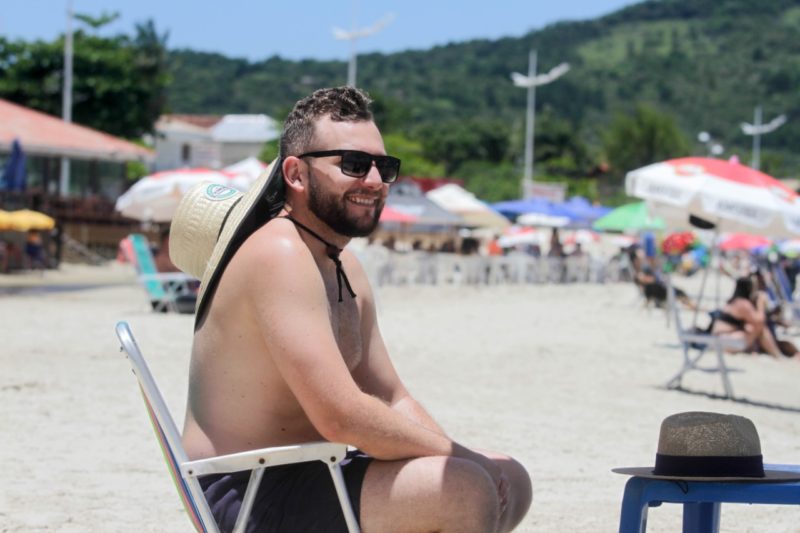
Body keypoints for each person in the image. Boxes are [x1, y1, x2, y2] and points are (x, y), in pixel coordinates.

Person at [169, 87, 531, 533]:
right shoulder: (279, 252)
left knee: (509, 477)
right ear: (296, 174)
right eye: (354, 165)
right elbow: (338, 415)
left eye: (385, 166)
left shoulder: (342, 265)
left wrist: (462, 458)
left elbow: (392, 396)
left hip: (314, 470)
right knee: (463, 487)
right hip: (249, 492)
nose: (376, 181)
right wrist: (457, 459)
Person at [711, 276, 792, 358]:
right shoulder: (743, 304)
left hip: (719, 339)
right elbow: (760, 320)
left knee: (750, 327)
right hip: (724, 341)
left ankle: (770, 352)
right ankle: (776, 354)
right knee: (759, 327)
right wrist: (761, 304)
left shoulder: (734, 301)